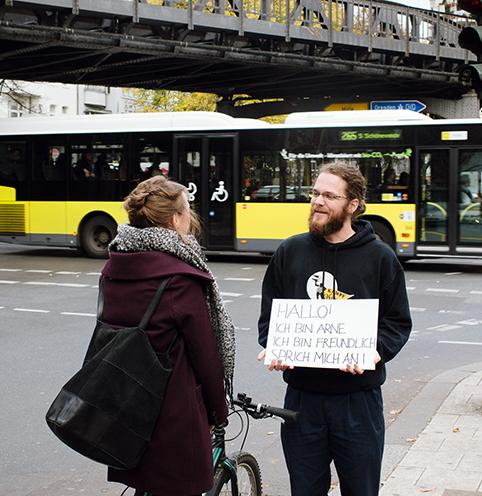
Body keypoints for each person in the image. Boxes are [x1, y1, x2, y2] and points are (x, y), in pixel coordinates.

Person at [257, 162, 412, 496]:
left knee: (361, 489)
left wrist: (375, 352)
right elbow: (270, 317)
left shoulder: (380, 258)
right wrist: (275, 346)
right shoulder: (290, 251)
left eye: (329, 195)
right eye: (315, 193)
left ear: (352, 205)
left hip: (357, 402)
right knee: (305, 489)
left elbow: (397, 322)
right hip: (302, 401)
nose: (317, 201)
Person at [101, 175, 235, 496]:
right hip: (172, 419)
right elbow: (206, 357)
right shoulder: (180, 277)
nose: (191, 216)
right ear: (175, 219)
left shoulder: (114, 266)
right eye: (188, 209)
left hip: (128, 406)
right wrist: (218, 410)